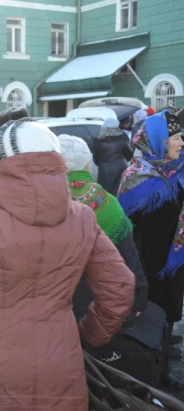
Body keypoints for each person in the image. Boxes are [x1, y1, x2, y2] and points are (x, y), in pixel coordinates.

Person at [0, 119, 136, 411]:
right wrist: (88, 335)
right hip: (60, 356)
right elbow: (119, 287)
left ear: (0, 162)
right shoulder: (83, 218)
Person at [118, 110, 184, 389]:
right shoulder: (137, 176)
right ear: (159, 140)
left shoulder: (177, 170)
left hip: (174, 259)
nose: (182, 143)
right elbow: (124, 230)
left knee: (169, 313)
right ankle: (148, 370)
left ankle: (164, 363)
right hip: (147, 262)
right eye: (177, 137)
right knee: (150, 317)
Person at [58, 134, 148, 316]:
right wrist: (139, 297)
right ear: (87, 166)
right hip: (98, 305)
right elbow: (129, 256)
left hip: (53, 307)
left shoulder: (39, 203)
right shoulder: (107, 203)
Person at [93, 118, 134, 195]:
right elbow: (129, 154)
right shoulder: (123, 137)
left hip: (103, 170)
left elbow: (95, 159)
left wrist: (102, 163)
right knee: (120, 192)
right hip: (120, 168)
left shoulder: (98, 138)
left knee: (105, 194)